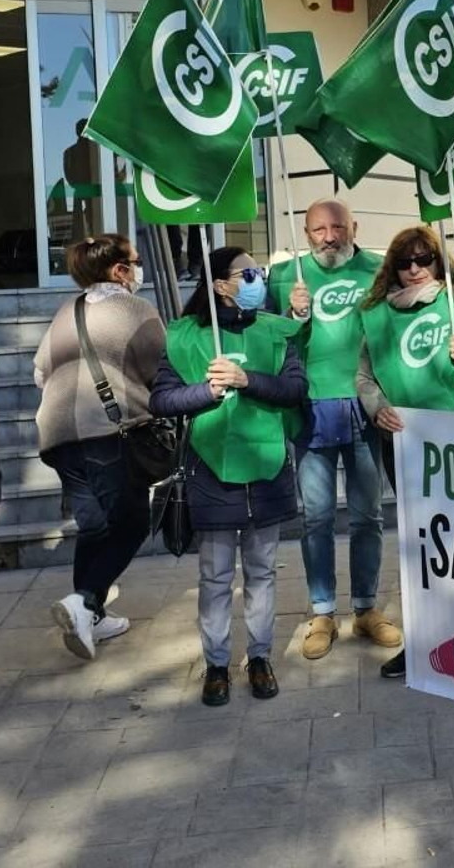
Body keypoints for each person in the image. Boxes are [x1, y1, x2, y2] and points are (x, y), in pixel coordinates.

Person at [149, 246, 307, 707]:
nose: (260, 280)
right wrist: (206, 391)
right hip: (211, 472)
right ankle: (216, 664)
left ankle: (259, 658)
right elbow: (161, 400)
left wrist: (246, 380)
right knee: (216, 576)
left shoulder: (276, 331)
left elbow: (295, 389)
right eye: (249, 274)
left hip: (267, 469)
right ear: (221, 285)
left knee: (262, 572)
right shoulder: (184, 336)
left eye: (259, 272)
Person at [357, 225, 454, 679]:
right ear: (392, 268)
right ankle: (423, 640)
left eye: (424, 259)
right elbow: (364, 376)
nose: (415, 268)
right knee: (422, 545)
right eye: (405, 262)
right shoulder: (377, 315)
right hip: (406, 443)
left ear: (439, 262)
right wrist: (377, 407)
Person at [268, 201, 400, 662]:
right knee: (317, 518)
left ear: (354, 227)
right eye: (319, 229)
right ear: (306, 234)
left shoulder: (379, 269)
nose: (329, 236)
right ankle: (322, 612)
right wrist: (293, 314)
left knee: (368, 515)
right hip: (311, 405)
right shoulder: (285, 276)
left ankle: (365, 608)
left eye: (338, 227)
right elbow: (268, 339)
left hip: (364, 404)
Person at [35, 234, 164, 659]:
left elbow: (39, 373)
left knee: (94, 527)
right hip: (105, 430)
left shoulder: (66, 311)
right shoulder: (134, 309)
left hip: (57, 436)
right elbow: (162, 369)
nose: (139, 269)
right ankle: (86, 601)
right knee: (133, 524)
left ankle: (90, 617)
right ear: (119, 270)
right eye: (135, 262)